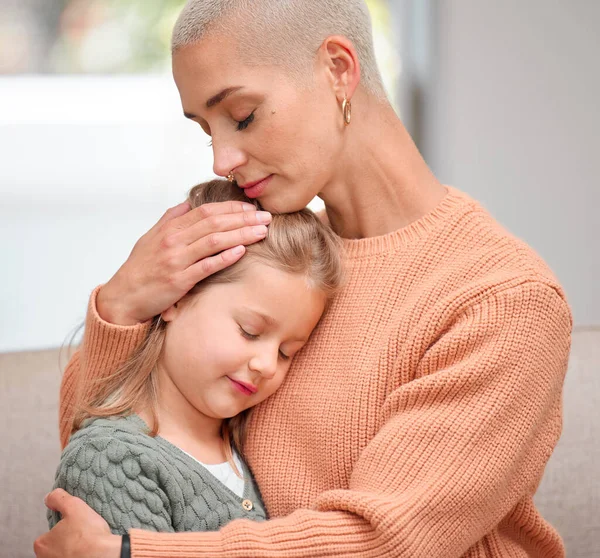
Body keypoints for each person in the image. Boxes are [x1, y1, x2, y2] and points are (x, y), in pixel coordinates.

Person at [35, 0, 573, 557]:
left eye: (241, 115)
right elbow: (97, 467)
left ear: (338, 69)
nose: (222, 159)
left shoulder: (504, 301)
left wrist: (133, 554)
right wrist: (121, 306)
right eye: (205, 130)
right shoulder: (272, 257)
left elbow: (388, 540)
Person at [47, 179, 343, 535]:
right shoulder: (109, 458)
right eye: (249, 331)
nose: (266, 365)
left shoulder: (241, 450)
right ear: (177, 299)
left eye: (286, 352)